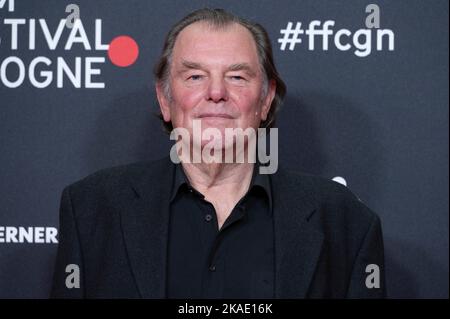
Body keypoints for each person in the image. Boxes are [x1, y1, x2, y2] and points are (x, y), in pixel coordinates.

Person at [51, 8, 385, 298]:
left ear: (266, 99)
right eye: (195, 76)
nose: (216, 92)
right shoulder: (91, 210)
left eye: (237, 77)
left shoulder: (345, 222)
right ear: (165, 99)